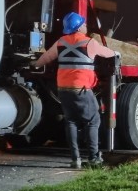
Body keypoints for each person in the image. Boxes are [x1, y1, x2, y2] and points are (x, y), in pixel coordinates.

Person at [32, 12, 116, 168]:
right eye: (83, 23)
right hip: (82, 89)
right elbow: (108, 53)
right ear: (79, 26)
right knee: (93, 120)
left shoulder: (61, 42)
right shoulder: (89, 42)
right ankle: (93, 158)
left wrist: (34, 65)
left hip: (63, 89)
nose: (85, 25)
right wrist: (117, 53)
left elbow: (44, 59)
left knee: (70, 122)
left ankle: (75, 159)